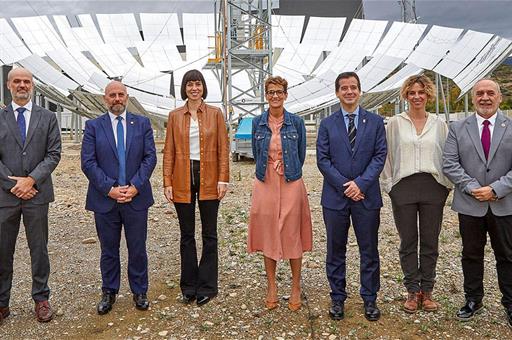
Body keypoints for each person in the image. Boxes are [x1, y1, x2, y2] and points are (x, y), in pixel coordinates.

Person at [81, 81, 157, 315]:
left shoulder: (142, 123)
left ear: (127, 97)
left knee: (137, 248)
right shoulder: (93, 126)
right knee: (109, 249)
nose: (117, 99)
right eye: (112, 95)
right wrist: (110, 189)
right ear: (105, 99)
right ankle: (109, 291)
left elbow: (150, 158)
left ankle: (140, 290)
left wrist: (134, 186)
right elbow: (88, 162)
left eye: (120, 94)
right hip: (105, 199)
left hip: (136, 198)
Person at [317, 72, 387, 321]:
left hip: (366, 197)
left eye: (353, 87)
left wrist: (361, 184)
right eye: (344, 88)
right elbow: (323, 160)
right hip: (335, 198)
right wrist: (345, 186)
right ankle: (337, 298)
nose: (349, 92)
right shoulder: (327, 124)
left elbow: (379, 157)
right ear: (337, 92)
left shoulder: (376, 122)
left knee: (369, 250)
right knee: (336, 250)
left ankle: (369, 298)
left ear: (360, 91)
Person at [443, 79, 512, 325]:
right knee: (471, 254)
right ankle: (473, 299)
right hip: (470, 204)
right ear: (473, 99)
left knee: (507, 255)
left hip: (504, 204)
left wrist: (495, 189)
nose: (485, 97)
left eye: (490, 93)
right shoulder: (457, 128)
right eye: (480, 93)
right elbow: (450, 163)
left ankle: (510, 302)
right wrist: (474, 189)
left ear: (499, 97)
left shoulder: (511, 126)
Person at [381, 74, 452, 313]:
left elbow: (447, 156)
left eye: (421, 92)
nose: (417, 96)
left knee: (430, 241)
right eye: (412, 92)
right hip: (404, 186)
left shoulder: (439, 124)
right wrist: (390, 185)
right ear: (406, 96)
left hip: (433, 186)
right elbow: (387, 155)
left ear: (428, 94)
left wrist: (446, 185)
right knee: (408, 241)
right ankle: (412, 291)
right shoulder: (395, 123)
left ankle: (428, 291)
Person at [163, 69, 229, 307]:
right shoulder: (174, 116)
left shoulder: (215, 114)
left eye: (198, 84)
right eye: (190, 84)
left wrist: (224, 178)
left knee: (209, 234)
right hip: (182, 176)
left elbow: (223, 147)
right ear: (184, 88)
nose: (194, 88)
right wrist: (167, 182)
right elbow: (168, 150)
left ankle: (208, 286)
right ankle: (189, 286)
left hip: (210, 175)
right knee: (187, 235)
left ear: (203, 87)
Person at [0, 67, 61, 323]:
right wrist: (12, 184)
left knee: (39, 249)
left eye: (26, 81)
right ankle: (2, 303)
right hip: (6, 196)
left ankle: (41, 299)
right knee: (3, 250)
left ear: (32, 85)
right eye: (17, 81)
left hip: (37, 194)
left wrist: (31, 180)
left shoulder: (47, 117)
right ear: (8, 85)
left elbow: (54, 154)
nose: (22, 85)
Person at [247, 76, 313, 311]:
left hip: (291, 180)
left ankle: (295, 285)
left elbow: (301, 153)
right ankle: (272, 285)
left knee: (292, 230)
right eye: (271, 92)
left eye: (279, 92)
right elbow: (257, 152)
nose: (275, 96)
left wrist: (288, 167)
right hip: (265, 181)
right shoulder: (258, 123)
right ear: (266, 96)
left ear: (286, 94)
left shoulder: (296, 122)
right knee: (268, 232)